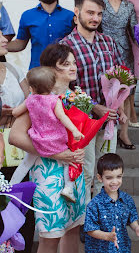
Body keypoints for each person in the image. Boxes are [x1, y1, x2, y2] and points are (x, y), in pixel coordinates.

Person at [9, 44, 86, 253]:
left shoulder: (76, 96)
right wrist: (57, 153)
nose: (73, 68)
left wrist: (78, 149)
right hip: (47, 171)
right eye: (65, 64)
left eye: (73, 63)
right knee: (51, 234)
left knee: (72, 227)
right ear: (51, 70)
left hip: (72, 170)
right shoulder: (37, 100)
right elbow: (15, 136)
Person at [60, 0, 123, 205]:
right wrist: (95, 107)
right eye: (90, 12)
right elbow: (64, 89)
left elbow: (118, 77)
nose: (95, 18)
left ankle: (102, 215)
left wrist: (120, 106)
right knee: (86, 172)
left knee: (107, 172)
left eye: (99, 13)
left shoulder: (109, 43)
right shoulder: (65, 46)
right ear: (76, 13)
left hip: (108, 120)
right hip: (80, 122)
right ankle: (85, 219)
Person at [12, 66, 84, 202]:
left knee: (26, 162)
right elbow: (63, 117)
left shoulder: (30, 99)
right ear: (52, 86)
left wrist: (12, 111)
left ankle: (11, 186)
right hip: (56, 140)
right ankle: (68, 188)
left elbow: (16, 112)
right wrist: (75, 130)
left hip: (38, 139)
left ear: (31, 89)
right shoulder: (55, 100)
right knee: (68, 162)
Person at [0, 30, 34, 253]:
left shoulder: (14, 69)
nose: (5, 40)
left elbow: (33, 99)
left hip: (17, 147)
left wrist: (17, 113)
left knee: (22, 207)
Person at [100, 0, 138, 149]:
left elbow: (133, 32)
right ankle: (106, 131)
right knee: (106, 92)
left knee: (125, 93)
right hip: (103, 52)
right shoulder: (98, 2)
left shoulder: (129, 6)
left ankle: (124, 134)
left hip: (124, 53)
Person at [84, 153, 139, 253]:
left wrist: (136, 228)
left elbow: (131, 218)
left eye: (118, 176)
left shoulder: (127, 200)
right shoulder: (94, 204)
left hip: (122, 248)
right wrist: (107, 236)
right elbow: (90, 229)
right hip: (100, 249)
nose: (115, 182)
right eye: (109, 178)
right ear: (99, 178)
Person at [6, 0, 74, 69]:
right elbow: (20, 44)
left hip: (64, 70)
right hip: (37, 71)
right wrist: (2, 45)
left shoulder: (71, 16)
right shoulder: (27, 16)